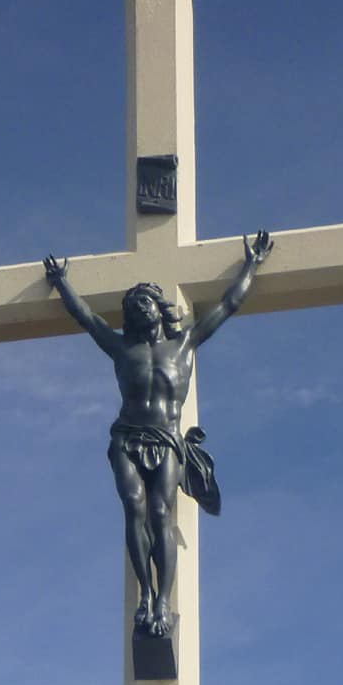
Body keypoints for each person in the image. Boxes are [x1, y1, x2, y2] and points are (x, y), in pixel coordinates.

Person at [43, 232, 273, 637]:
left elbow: (229, 304)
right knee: (134, 509)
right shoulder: (121, 349)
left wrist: (252, 265)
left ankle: (162, 602)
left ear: (158, 306)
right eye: (131, 305)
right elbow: (87, 319)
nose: (136, 308)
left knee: (161, 514)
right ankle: (145, 596)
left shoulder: (184, 344)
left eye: (143, 301)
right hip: (127, 437)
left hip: (166, 438)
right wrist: (62, 283)